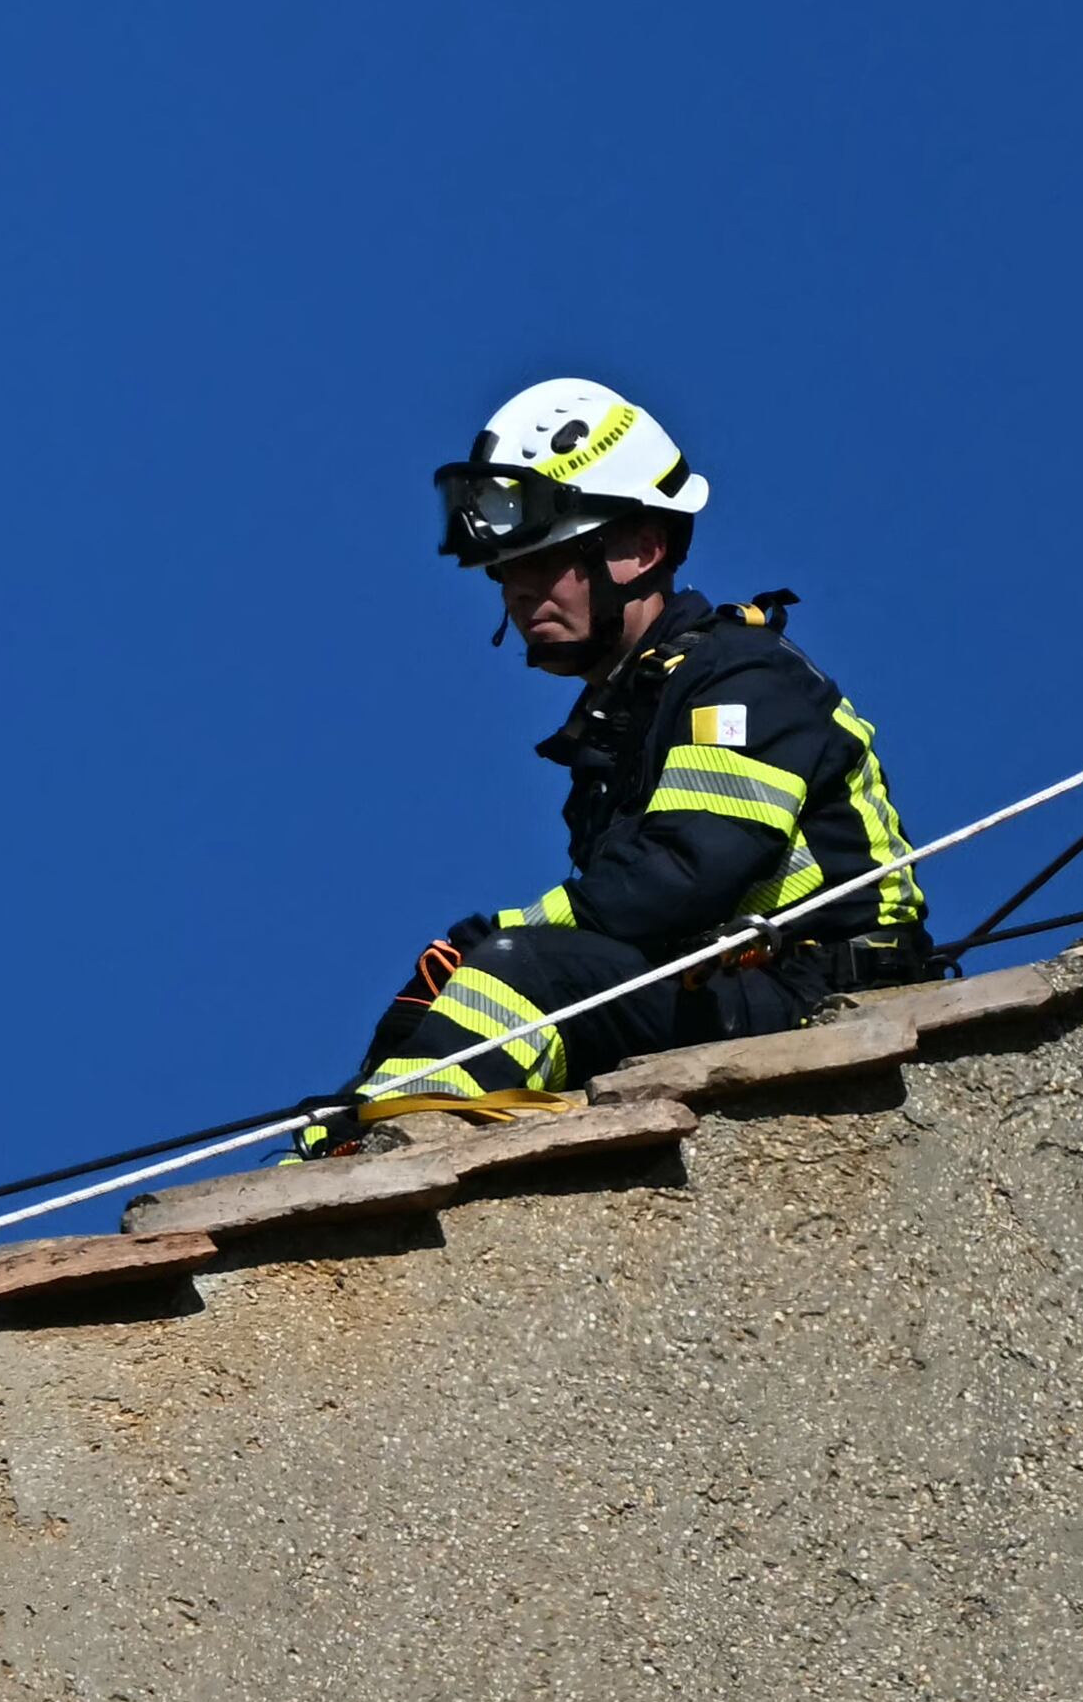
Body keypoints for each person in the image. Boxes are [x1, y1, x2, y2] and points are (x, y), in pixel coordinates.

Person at [329, 381, 929, 1140]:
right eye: (504, 572)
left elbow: (684, 874)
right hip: (722, 997)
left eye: (544, 562)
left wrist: (504, 935)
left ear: (642, 549)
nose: (518, 592)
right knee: (441, 1000)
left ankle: (406, 1150)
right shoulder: (624, 724)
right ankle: (349, 1138)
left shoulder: (742, 676)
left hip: (816, 998)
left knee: (522, 969)